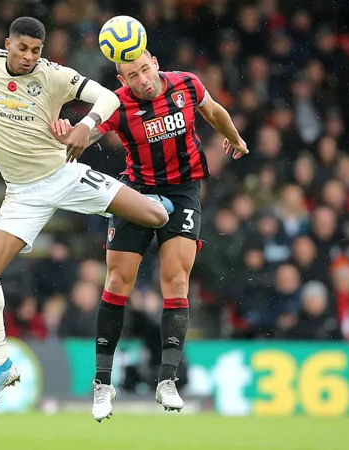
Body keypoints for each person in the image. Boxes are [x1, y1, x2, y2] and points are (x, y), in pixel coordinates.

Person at [0, 17, 175, 411]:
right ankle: (0, 363)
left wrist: (86, 125)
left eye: (36, 51)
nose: (29, 57)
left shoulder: (54, 75)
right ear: (7, 44)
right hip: (22, 194)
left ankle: (158, 199)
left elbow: (110, 98)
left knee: (157, 217)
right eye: (22, 48)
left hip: (62, 174)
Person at [50, 49, 248, 422]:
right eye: (132, 76)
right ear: (122, 80)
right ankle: (102, 383)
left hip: (184, 189)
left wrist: (235, 139)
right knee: (118, 279)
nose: (142, 80)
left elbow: (215, 111)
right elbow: (88, 135)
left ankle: (168, 379)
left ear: (155, 62)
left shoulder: (187, 84)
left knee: (176, 279)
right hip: (137, 192)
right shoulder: (118, 103)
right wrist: (68, 135)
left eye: (145, 70)